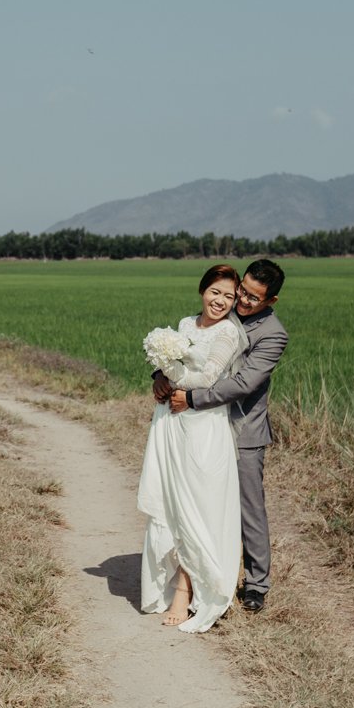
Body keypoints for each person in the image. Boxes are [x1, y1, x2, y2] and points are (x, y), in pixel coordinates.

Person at [156, 258, 287, 614]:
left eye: (253, 298)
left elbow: (245, 383)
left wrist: (193, 399)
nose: (242, 300)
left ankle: (256, 583)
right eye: (241, 290)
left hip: (242, 430)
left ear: (270, 301)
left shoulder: (273, 334)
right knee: (201, 503)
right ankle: (205, 576)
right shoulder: (222, 308)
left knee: (248, 508)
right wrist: (161, 374)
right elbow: (189, 347)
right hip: (201, 428)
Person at [136, 264, 248, 632]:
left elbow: (207, 377)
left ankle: (186, 590)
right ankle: (175, 580)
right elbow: (173, 363)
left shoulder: (229, 332)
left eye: (229, 297)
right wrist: (158, 375)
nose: (221, 301)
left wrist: (170, 376)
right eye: (216, 292)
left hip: (205, 427)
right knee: (172, 502)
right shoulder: (185, 325)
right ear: (203, 290)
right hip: (171, 422)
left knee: (197, 505)